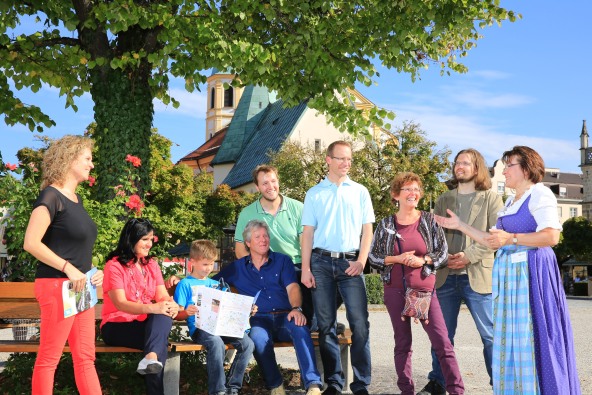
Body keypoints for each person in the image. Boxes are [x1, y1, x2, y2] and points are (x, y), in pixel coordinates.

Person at [435, 146, 581, 394]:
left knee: (534, 336)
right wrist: (460, 225)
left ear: (526, 168)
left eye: (509, 166)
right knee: (512, 340)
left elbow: (551, 236)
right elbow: (492, 239)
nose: (504, 173)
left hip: (532, 275)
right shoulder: (512, 201)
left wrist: (512, 239)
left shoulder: (540, 194)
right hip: (513, 282)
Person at [368, 172, 464, 395]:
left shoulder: (429, 221)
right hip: (394, 290)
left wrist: (424, 260)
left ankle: (457, 390)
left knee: (443, 343)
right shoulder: (385, 225)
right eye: (408, 189)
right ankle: (406, 391)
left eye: (416, 189)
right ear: (396, 195)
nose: (413, 193)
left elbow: (442, 254)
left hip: (424, 291)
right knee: (402, 344)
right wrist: (397, 259)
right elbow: (373, 257)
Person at [23, 135, 103, 395]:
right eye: (87, 159)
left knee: (85, 359)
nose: (92, 165)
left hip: (80, 288)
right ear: (69, 159)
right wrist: (68, 268)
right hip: (57, 285)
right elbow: (31, 242)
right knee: (49, 360)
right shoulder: (51, 195)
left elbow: (73, 248)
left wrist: (92, 271)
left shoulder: (76, 201)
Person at [419, 149, 504, 395]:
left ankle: (498, 384)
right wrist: (445, 258)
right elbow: (434, 239)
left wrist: (469, 257)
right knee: (442, 336)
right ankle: (438, 382)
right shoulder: (444, 199)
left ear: (477, 168)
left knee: (489, 336)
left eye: (465, 163)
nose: (460, 166)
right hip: (446, 277)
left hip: (479, 275)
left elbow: (494, 237)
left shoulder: (491, 198)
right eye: (457, 163)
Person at [215, 220, 322, 395]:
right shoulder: (237, 268)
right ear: (248, 243)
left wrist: (296, 308)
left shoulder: (282, 261)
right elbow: (210, 283)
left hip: (286, 315)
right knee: (256, 337)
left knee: (300, 328)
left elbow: (293, 287)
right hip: (258, 319)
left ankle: (313, 385)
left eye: (265, 236)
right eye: (258, 237)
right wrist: (178, 282)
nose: (263, 240)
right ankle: (275, 386)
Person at [300, 140, 374, 395]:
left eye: (349, 160)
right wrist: (305, 269)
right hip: (320, 263)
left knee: (360, 323)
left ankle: (361, 382)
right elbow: (307, 234)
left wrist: (362, 261)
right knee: (325, 325)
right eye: (341, 159)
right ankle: (334, 382)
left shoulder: (360, 192)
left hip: (351, 263)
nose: (346, 164)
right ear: (328, 160)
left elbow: (367, 231)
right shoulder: (314, 193)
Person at [100, 218, 179, 395]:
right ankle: (152, 359)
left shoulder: (151, 264)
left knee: (162, 319)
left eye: (151, 239)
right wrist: (154, 308)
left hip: (143, 323)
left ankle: (150, 358)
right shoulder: (114, 266)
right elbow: (120, 303)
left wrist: (170, 305)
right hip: (116, 326)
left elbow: (162, 296)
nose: (149, 244)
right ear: (132, 238)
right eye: (145, 239)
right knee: (159, 342)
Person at [173, 239, 254, 395]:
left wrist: (245, 310)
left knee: (248, 344)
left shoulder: (215, 283)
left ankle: (233, 387)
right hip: (200, 328)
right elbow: (177, 314)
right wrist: (186, 312)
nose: (208, 268)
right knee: (216, 342)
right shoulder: (185, 284)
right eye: (205, 264)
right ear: (193, 262)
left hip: (220, 327)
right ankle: (218, 390)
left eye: (211, 264)